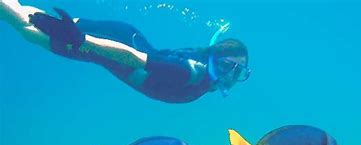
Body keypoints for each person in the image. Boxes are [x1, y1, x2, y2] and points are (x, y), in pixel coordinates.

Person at [0, 1, 250, 103]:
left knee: (31, 22)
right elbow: (134, 58)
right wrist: (81, 40)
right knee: (27, 27)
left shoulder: (203, 81)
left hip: (119, 40)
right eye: (230, 67)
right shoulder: (187, 72)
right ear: (214, 60)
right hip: (114, 42)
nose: (232, 76)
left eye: (239, 72)